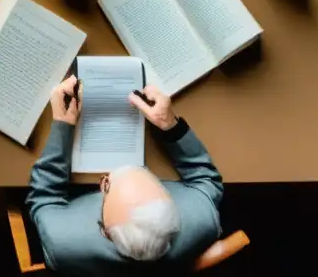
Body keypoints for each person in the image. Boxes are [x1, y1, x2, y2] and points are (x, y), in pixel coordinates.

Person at [26, 75, 223, 275]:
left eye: (107, 184)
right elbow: (205, 177)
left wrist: (62, 125)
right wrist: (170, 125)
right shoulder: (202, 217)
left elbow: (43, 197)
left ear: (107, 232)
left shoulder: (61, 242)